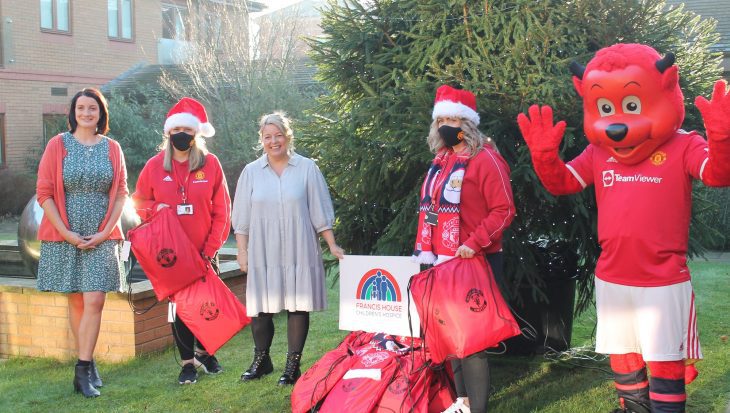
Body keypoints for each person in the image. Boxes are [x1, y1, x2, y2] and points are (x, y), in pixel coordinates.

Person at [517, 43, 730, 413]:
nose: (616, 123)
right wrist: (544, 157)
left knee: (664, 357)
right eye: (605, 108)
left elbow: (717, 174)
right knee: (623, 354)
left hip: (663, 279)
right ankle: (633, 406)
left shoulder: (683, 145)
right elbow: (564, 183)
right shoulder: (599, 153)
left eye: (631, 106)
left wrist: (723, 140)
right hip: (613, 275)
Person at [412, 85, 515, 413]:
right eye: (441, 118)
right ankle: (462, 403)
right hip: (442, 263)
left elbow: (504, 210)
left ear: (468, 122)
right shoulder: (440, 162)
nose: (447, 124)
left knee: (471, 344)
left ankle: (478, 408)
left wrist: (474, 243)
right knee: (451, 339)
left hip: (475, 261)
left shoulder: (486, 159)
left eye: (454, 118)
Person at [232, 111, 345, 386]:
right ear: (261, 140)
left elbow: (319, 209)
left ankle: (292, 365)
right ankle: (262, 360)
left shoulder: (307, 168)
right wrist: (242, 251)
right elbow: (242, 218)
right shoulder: (250, 172)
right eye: (268, 136)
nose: (274, 141)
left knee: (297, 305)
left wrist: (331, 244)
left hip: (299, 245)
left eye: (278, 135)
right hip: (263, 248)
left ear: (287, 136)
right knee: (260, 309)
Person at [36, 87, 129, 398]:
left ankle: (81, 369)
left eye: (93, 108)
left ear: (101, 113)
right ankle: (88, 364)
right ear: (73, 113)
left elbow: (120, 194)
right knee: (76, 300)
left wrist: (104, 233)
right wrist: (66, 233)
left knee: (95, 300)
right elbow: (45, 192)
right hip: (66, 233)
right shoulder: (57, 145)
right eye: (81, 108)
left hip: (101, 235)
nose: (87, 113)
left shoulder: (113, 148)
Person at [132, 97, 231, 385]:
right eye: (177, 130)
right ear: (168, 133)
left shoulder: (210, 165)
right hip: (171, 256)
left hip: (203, 252)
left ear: (196, 133)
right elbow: (137, 202)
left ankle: (204, 352)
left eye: (188, 130)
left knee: (205, 304)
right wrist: (155, 209)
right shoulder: (153, 167)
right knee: (179, 309)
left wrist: (209, 250)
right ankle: (188, 363)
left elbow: (222, 211)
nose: (181, 135)